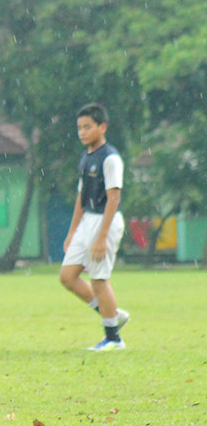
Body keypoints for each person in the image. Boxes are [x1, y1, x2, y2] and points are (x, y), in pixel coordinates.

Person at [59, 103, 129, 351]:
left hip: (105, 222)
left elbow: (114, 198)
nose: (82, 132)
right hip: (88, 221)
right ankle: (112, 314)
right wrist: (71, 232)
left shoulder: (110, 158)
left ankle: (113, 339)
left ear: (102, 127)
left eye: (87, 127)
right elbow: (81, 197)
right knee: (67, 277)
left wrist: (102, 237)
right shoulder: (86, 157)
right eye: (79, 128)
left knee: (99, 279)